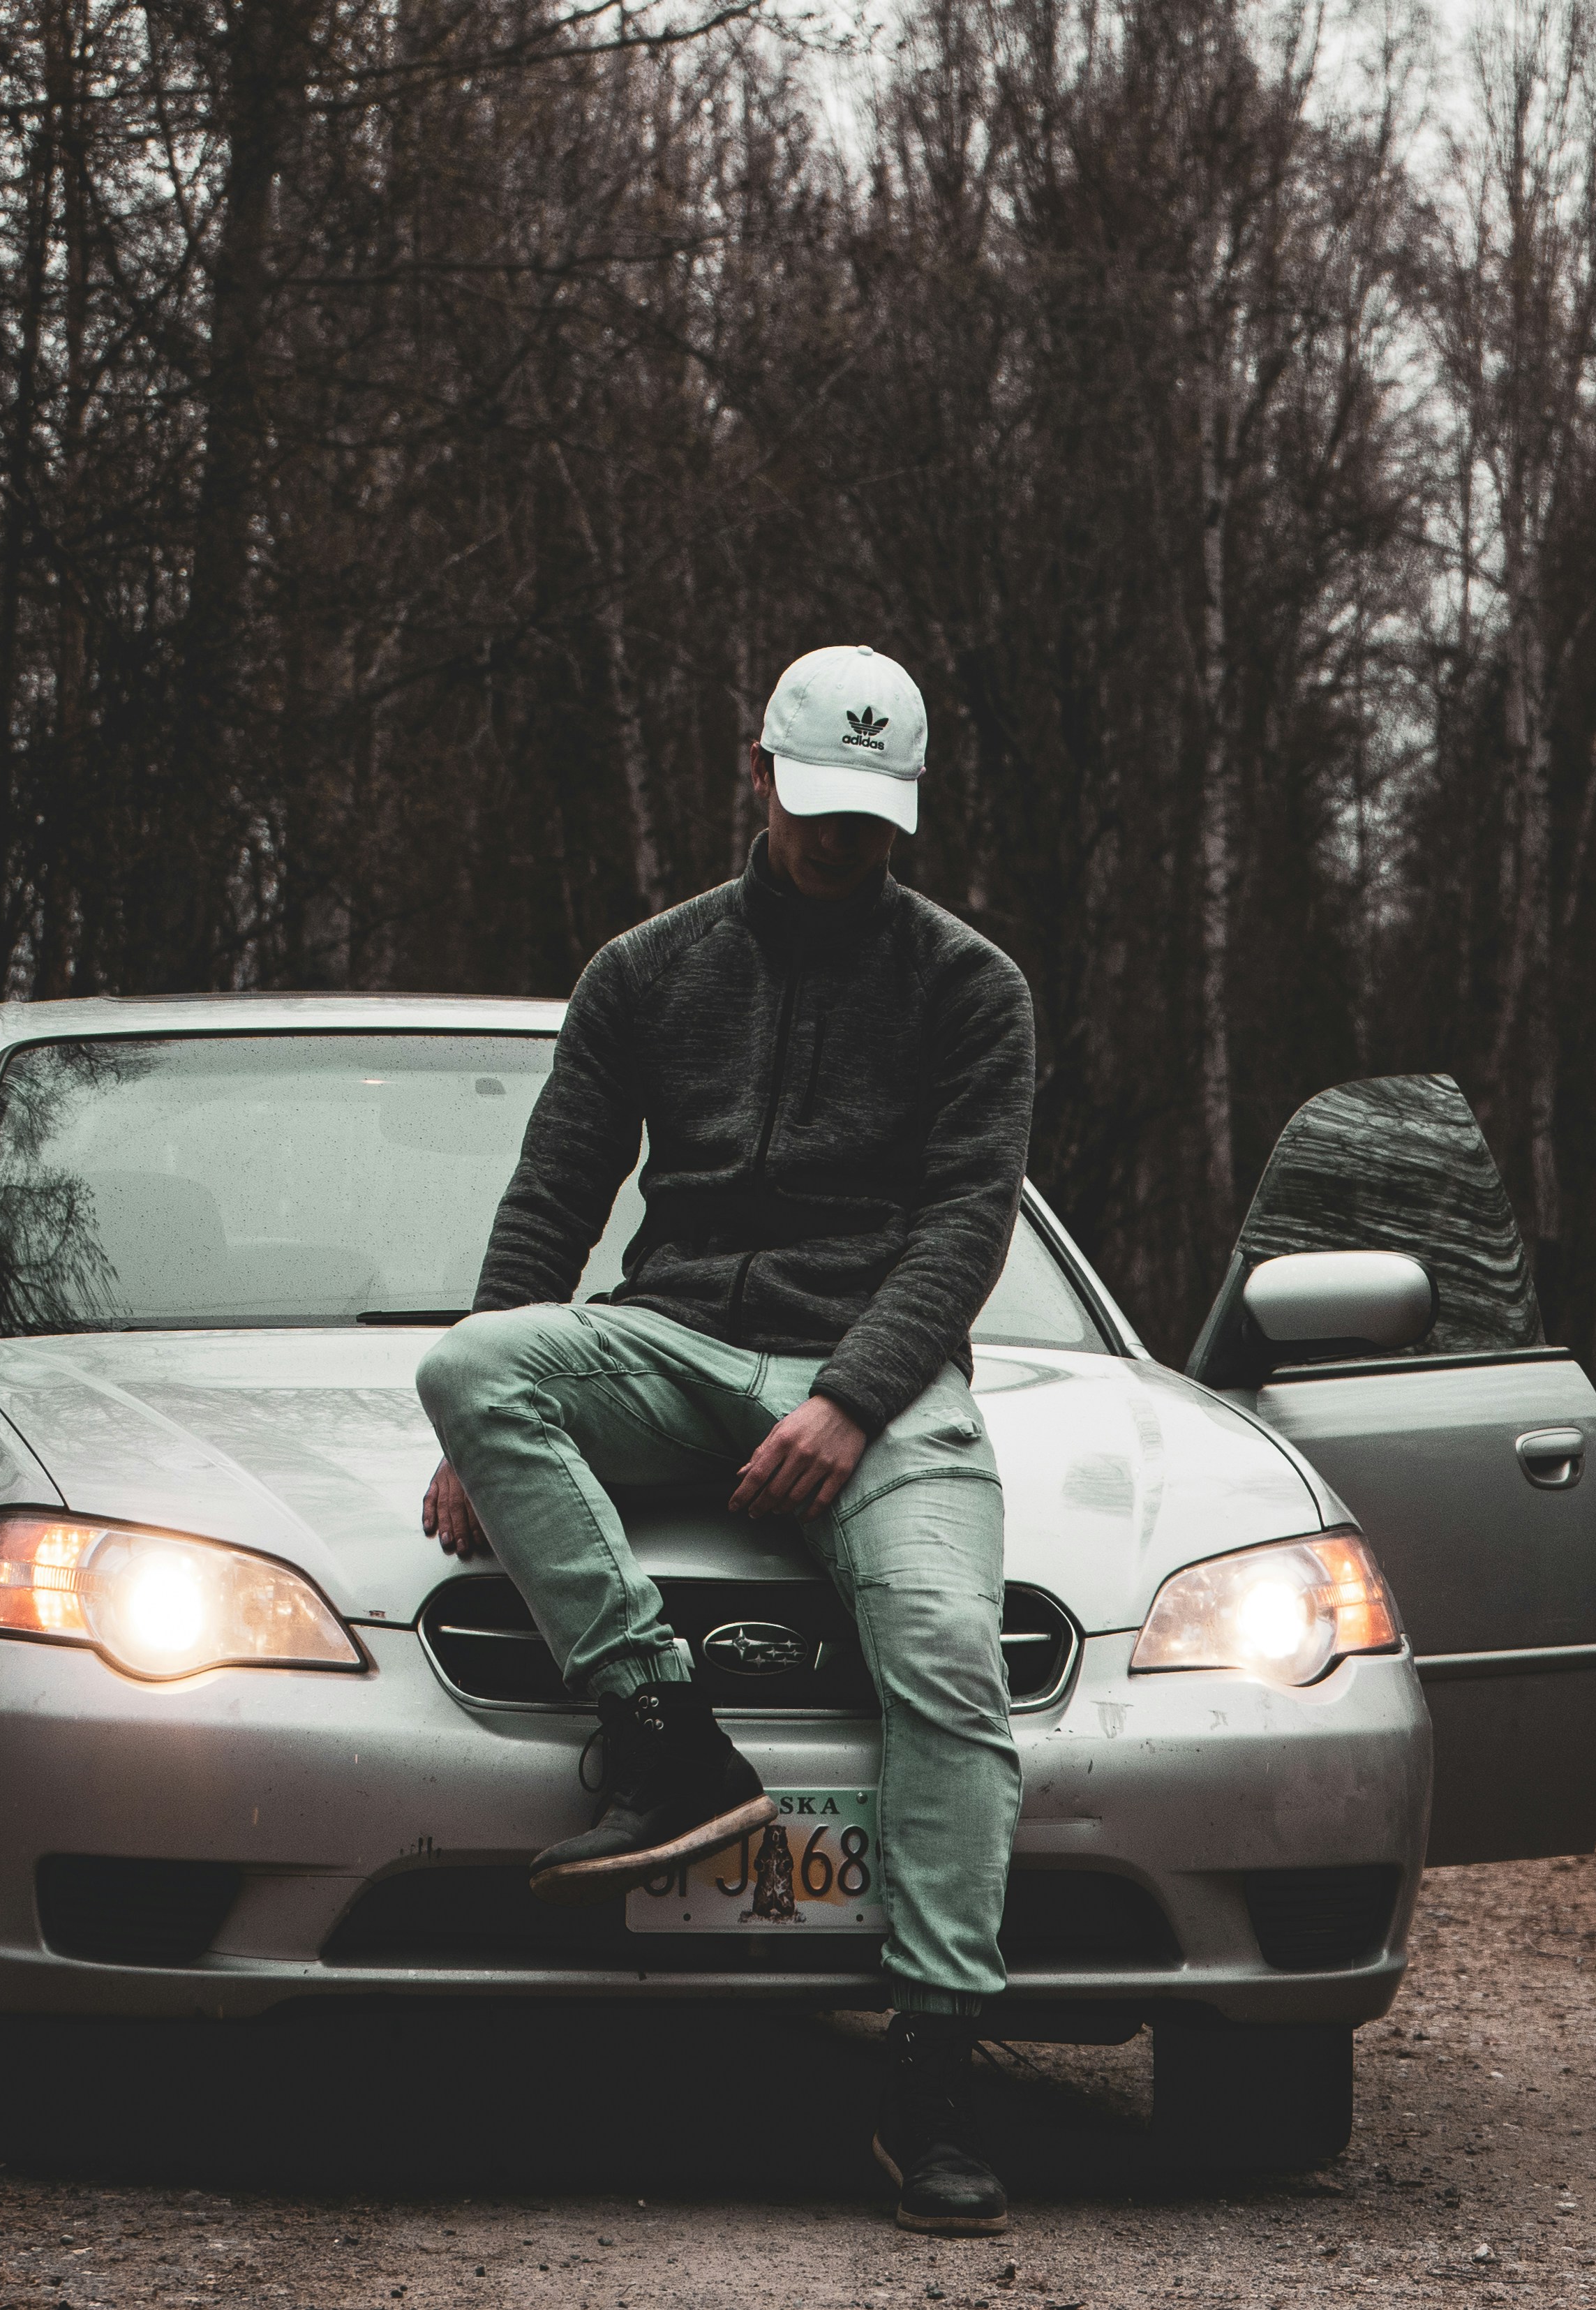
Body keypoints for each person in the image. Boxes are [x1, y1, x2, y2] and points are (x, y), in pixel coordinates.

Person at [412, 644, 1036, 2237]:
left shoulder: (971, 985)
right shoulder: (645, 969)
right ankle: (666, 1732)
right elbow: (553, 1193)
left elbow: (967, 1222)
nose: (845, 843)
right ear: (752, 773)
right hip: (674, 1334)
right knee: (475, 1367)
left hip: (881, 1378)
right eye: (820, 808)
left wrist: (851, 1396)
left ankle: (937, 2062)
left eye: (876, 819)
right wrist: (484, 1443)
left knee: (952, 1648)